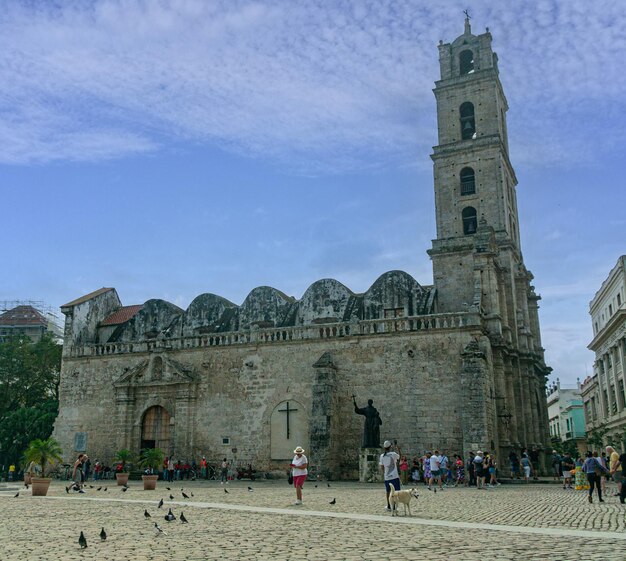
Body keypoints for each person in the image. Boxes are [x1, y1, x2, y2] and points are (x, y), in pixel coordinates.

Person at [379, 440, 400, 511]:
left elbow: (382, 467)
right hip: (394, 476)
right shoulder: (393, 454)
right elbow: (399, 457)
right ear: (390, 447)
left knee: (388, 491)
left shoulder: (382, 456)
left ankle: (388, 505)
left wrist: (385, 473)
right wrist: (398, 448)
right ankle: (394, 506)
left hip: (387, 476)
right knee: (396, 491)